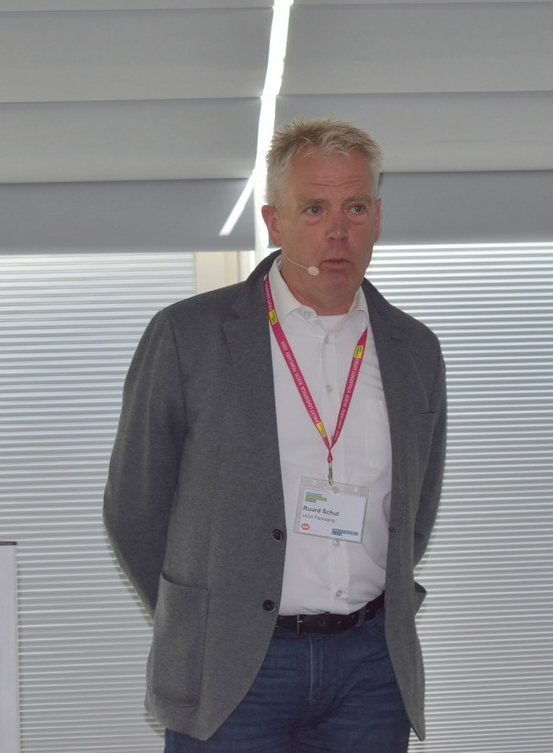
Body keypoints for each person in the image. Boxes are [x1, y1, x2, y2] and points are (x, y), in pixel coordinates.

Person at [103, 118, 447, 752]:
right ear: (274, 221)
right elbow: (134, 508)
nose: (337, 231)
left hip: (370, 670)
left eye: (355, 207)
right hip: (235, 667)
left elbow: (416, 515)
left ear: (377, 216)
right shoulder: (189, 337)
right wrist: (206, 618)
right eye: (313, 208)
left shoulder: (414, 351)